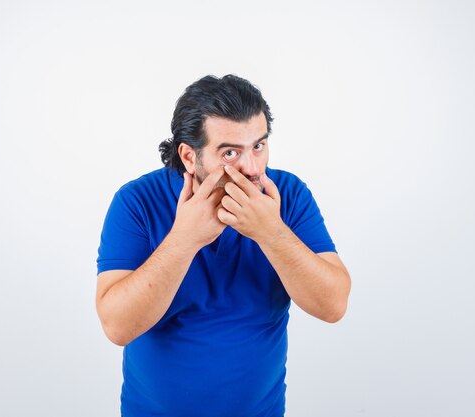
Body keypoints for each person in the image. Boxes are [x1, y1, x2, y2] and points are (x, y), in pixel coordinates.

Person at [95, 74, 351, 417]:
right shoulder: (137, 202)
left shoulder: (287, 195)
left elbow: (333, 305)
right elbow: (117, 327)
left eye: (258, 146)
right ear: (189, 156)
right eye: (230, 152)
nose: (252, 168)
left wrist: (271, 233)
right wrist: (185, 239)